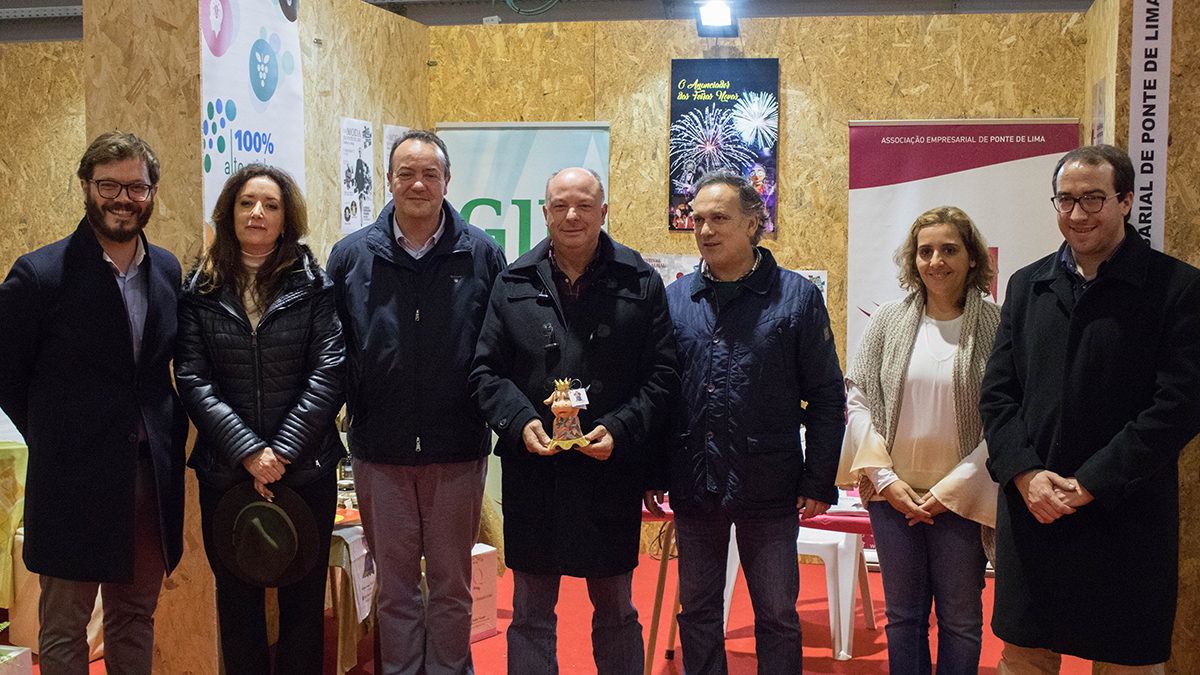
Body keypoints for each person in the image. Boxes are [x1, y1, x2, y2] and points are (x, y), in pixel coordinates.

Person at [980, 144, 1200, 674]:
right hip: (1034, 513)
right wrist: (1025, 474)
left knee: (1125, 661)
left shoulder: (1177, 287)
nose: (1078, 214)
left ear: (1125, 200)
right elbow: (998, 394)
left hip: (1124, 518)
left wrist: (1090, 484)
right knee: (1024, 657)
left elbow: (1178, 406)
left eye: (1094, 199)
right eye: (1066, 199)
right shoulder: (1027, 285)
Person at [471, 167, 677, 675]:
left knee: (616, 611)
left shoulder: (640, 281)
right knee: (530, 613)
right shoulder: (512, 281)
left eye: (584, 205)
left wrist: (622, 429)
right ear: (544, 213)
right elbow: (486, 373)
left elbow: (663, 375)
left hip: (609, 472)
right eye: (560, 205)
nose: (572, 216)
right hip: (534, 474)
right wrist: (520, 422)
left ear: (603, 212)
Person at [0, 131, 189, 674]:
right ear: (86, 186)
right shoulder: (40, 274)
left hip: (148, 478)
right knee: (65, 628)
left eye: (136, 187)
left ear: (152, 193)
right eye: (109, 185)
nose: (123, 199)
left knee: (135, 617)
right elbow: (7, 374)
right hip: (71, 481)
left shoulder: (167, 271)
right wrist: (55, 435)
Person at [648, 169, 844, 674]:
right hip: (695, 483)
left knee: (777, 615)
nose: (705, 230)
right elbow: (660, 395)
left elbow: (826, 397)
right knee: (697, 612)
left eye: (719, 218)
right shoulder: (676, 300)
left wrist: (819, 478)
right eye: (697, 219)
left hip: (769, 485)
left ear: (754, 224)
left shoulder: (796, 298)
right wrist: (652, 472)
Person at [326, 129, 507, 675]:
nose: (418, 184)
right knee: (395, 588)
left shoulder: (481, 253)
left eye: (430, 174)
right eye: (406, 173)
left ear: (448, 181)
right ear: (389, 180)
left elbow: (498, 347)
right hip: (380, 450)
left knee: (452, 586)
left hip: (457, 449)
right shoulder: (351, 256)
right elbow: (334, 349)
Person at [174, 164, 345, 675]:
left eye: (271, 205)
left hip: (305, 469)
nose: (257, 213)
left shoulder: (315, 286)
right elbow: (192, 376)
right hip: (227, 471)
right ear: (229, 212)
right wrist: (248, 450)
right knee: (238, 606)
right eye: (247, 202)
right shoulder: (200, 289)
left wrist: (282, 452)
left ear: (286, 219)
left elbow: (329, 371)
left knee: (302, 608)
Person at [838, 206, 1000, 675]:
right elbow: (859, 400)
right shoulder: (888, 319)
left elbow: (1006, 417)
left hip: (963, 503)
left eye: (949, 249)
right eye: (925, 251)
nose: (936, 261)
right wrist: (885, 481)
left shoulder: (998, 325)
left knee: (961, 622)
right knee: (903, 619)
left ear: (972, 257)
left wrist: (953, 491)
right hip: (893, 497)